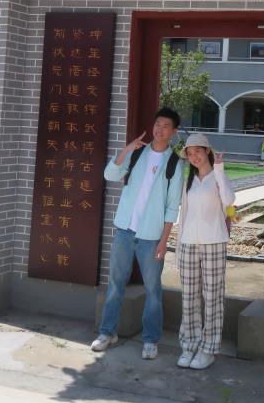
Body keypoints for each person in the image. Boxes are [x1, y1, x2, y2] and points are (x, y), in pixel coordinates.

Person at [91, 107, 183, 360]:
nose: (159, 129)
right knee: (115, 284)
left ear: (174, 132)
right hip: (124, 230)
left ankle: (150, 340)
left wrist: (164, 241)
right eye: (157, 124)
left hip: (151, 236)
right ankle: (107, 332)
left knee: (153, 290)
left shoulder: (175, 163)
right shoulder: (138, 152)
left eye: (165, 126)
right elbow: (110, 174)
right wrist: (126, 149)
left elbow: (172, 206)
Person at [175, 133, 235, 370]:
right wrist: (179, 248)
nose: (194, 157)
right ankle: (189, 345)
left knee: (212, 298)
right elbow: (184, 215)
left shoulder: (218, 177)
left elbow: (228, 200)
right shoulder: (189, 181)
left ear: (207, 151)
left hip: (214, 243)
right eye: (189, 154)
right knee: (189, 297)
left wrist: (219, 169)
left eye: (197, 151)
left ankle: (208, 349)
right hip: (188, 243)